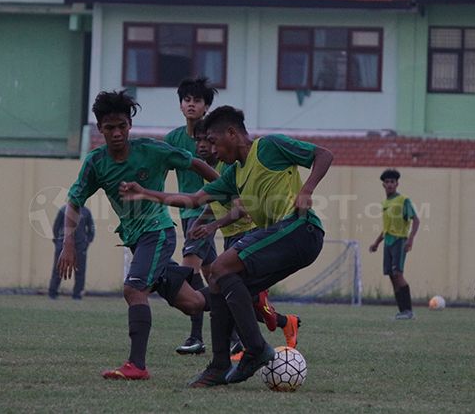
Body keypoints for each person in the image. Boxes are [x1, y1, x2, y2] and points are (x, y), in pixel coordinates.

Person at [120, 105, 333, 387]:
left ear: (232, 134)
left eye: (213, 142)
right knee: (221, 281)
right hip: (281, 239)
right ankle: (220, 365)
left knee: (220, 266)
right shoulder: (234, 174)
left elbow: (323, 154)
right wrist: (146, 193)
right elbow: (194, 199)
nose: (212, 150)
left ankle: (255, 349)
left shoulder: (270, 146)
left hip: (301, 229)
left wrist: (307, 190)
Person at [56, 90, 219, 380]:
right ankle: (246, 299)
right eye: (110, 128)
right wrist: (68, 242)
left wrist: (224, 189)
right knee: (192, 303)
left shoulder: (151, 150)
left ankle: (137, 366)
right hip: (137, 240)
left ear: (129, 125)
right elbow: (74, 202)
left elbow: (195, 163)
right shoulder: (96, 162)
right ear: (100, 129)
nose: (117, 133)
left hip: (157, 233)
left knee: (133, 289)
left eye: (122, 126)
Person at [188, 122, 301, 359]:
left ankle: (245, 345)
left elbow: (243, 206)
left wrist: (212, 225)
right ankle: (282, 323)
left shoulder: (227, 164)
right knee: (233, 293)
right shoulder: (211, 170)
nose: (201, 145)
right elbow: (216, 201)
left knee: (237, 292)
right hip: (229, 236)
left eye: (206, 140)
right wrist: (202, 222)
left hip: (246, 232)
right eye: (198, 141)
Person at [164, 77, 218, 355]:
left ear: (206, 106)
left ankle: (197, 337)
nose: (191, 104)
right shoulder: (172, 139)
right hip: (187, 212)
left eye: (197, 100)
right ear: (181, 104)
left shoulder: (213, 138)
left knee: (187, 272)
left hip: (207, 213)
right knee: (218, 277)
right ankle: (236, 333)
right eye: (187, 99)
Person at [369, 169, 419, 320]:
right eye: (387, 182)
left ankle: (408, 311)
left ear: (397, 184)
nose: (390, 184)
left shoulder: (403, 200)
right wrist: (376, 243)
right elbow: (386, 228)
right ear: (383, 185)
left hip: (400, 240)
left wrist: (410, 239)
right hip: (388, 242)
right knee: (391, 276)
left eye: (392, 182)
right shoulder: (385, 203)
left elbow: (415, 220)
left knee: (398, 274)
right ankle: (402, 311)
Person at [48, 205, 94, 300]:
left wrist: (86, 242)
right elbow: (56, 227)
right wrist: (58, 242)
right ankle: (52, 293)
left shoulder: (86, 212)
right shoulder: (64, 210)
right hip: (63, 246)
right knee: (58, 269)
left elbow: (91, 229)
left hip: (80, 246)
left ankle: (77, 295)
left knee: (80, 271)